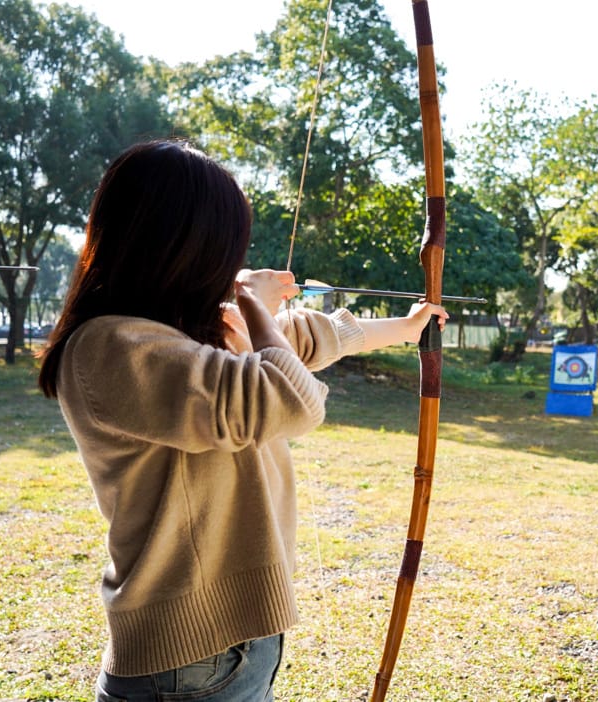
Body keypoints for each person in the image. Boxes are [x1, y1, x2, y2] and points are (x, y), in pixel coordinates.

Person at [37, 139, 447, 701]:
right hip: (185, 659)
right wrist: (254, 305)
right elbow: (289, 398)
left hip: (229, 645)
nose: (235, 261)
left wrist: (405, 326)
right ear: (182, 246)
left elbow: (309, 336)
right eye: (227, 246)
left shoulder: (188, 334)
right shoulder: (111, 347)